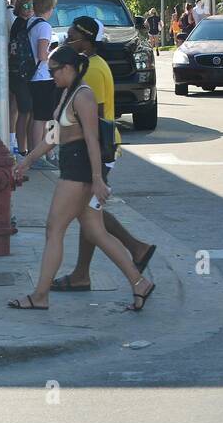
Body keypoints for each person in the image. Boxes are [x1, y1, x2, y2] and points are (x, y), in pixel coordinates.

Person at [8, 45, 154, 312]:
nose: (51, 75)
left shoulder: (83, 96)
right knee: (96, 232)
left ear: (68, 68)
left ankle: (40, 296)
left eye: (54, 71)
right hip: (75, 168)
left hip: (80, 170)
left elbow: (91, 139)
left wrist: (98, 179)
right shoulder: (66, 92)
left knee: (54, 230)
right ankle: (139, 282)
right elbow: (52, 137)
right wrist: (27, 160)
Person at [47, 17, 157, 293]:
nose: (66, 38)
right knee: (90, 216)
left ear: (83, 39)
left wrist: (95, 173)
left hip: (93, 153)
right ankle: (94, 270)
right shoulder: (92, 65)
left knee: (89, 217)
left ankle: (132, 253)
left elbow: (90, 124)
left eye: (71, 35)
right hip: (92, 153)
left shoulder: (89, 72)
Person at [27, 0, 58, 171]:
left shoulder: (31, 22)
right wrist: (56, 54)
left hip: (34, 76)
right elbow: (42, 54)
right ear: (50, 8)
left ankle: (45, 152)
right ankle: (41, 154)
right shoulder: (44, 26)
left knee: (39, 116)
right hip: (43, 76)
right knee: (45, 117)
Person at [7, 0, 35, 156]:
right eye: (25, 6)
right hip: (19, 72)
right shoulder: (22, 24)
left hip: (19, 72)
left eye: (31, 6)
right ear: (19, 9)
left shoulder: (24, 23)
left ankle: (20, 145)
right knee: (25, 110)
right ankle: (21, 147)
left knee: (22, 109)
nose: (29, 9)